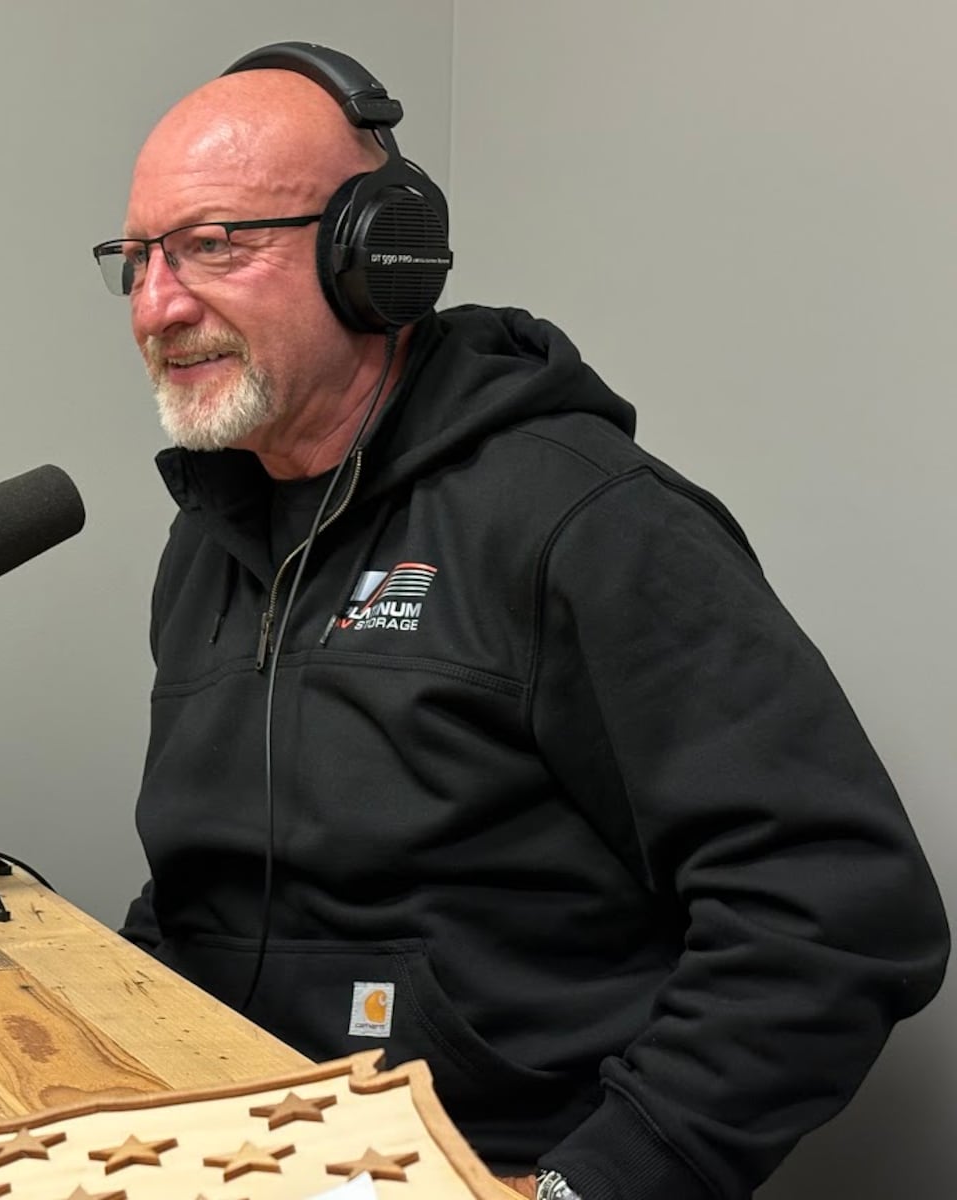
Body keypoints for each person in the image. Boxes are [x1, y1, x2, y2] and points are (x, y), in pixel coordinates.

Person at [95, 42, 950, 1200]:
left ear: (375, 255)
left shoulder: (581, 518)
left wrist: (593, 1183)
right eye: (137, 258)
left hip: (488, 1163)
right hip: (239, 1150)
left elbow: (840, 907)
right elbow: (213, 887)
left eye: (213, 245)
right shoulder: (212, 533)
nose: (158, 304)